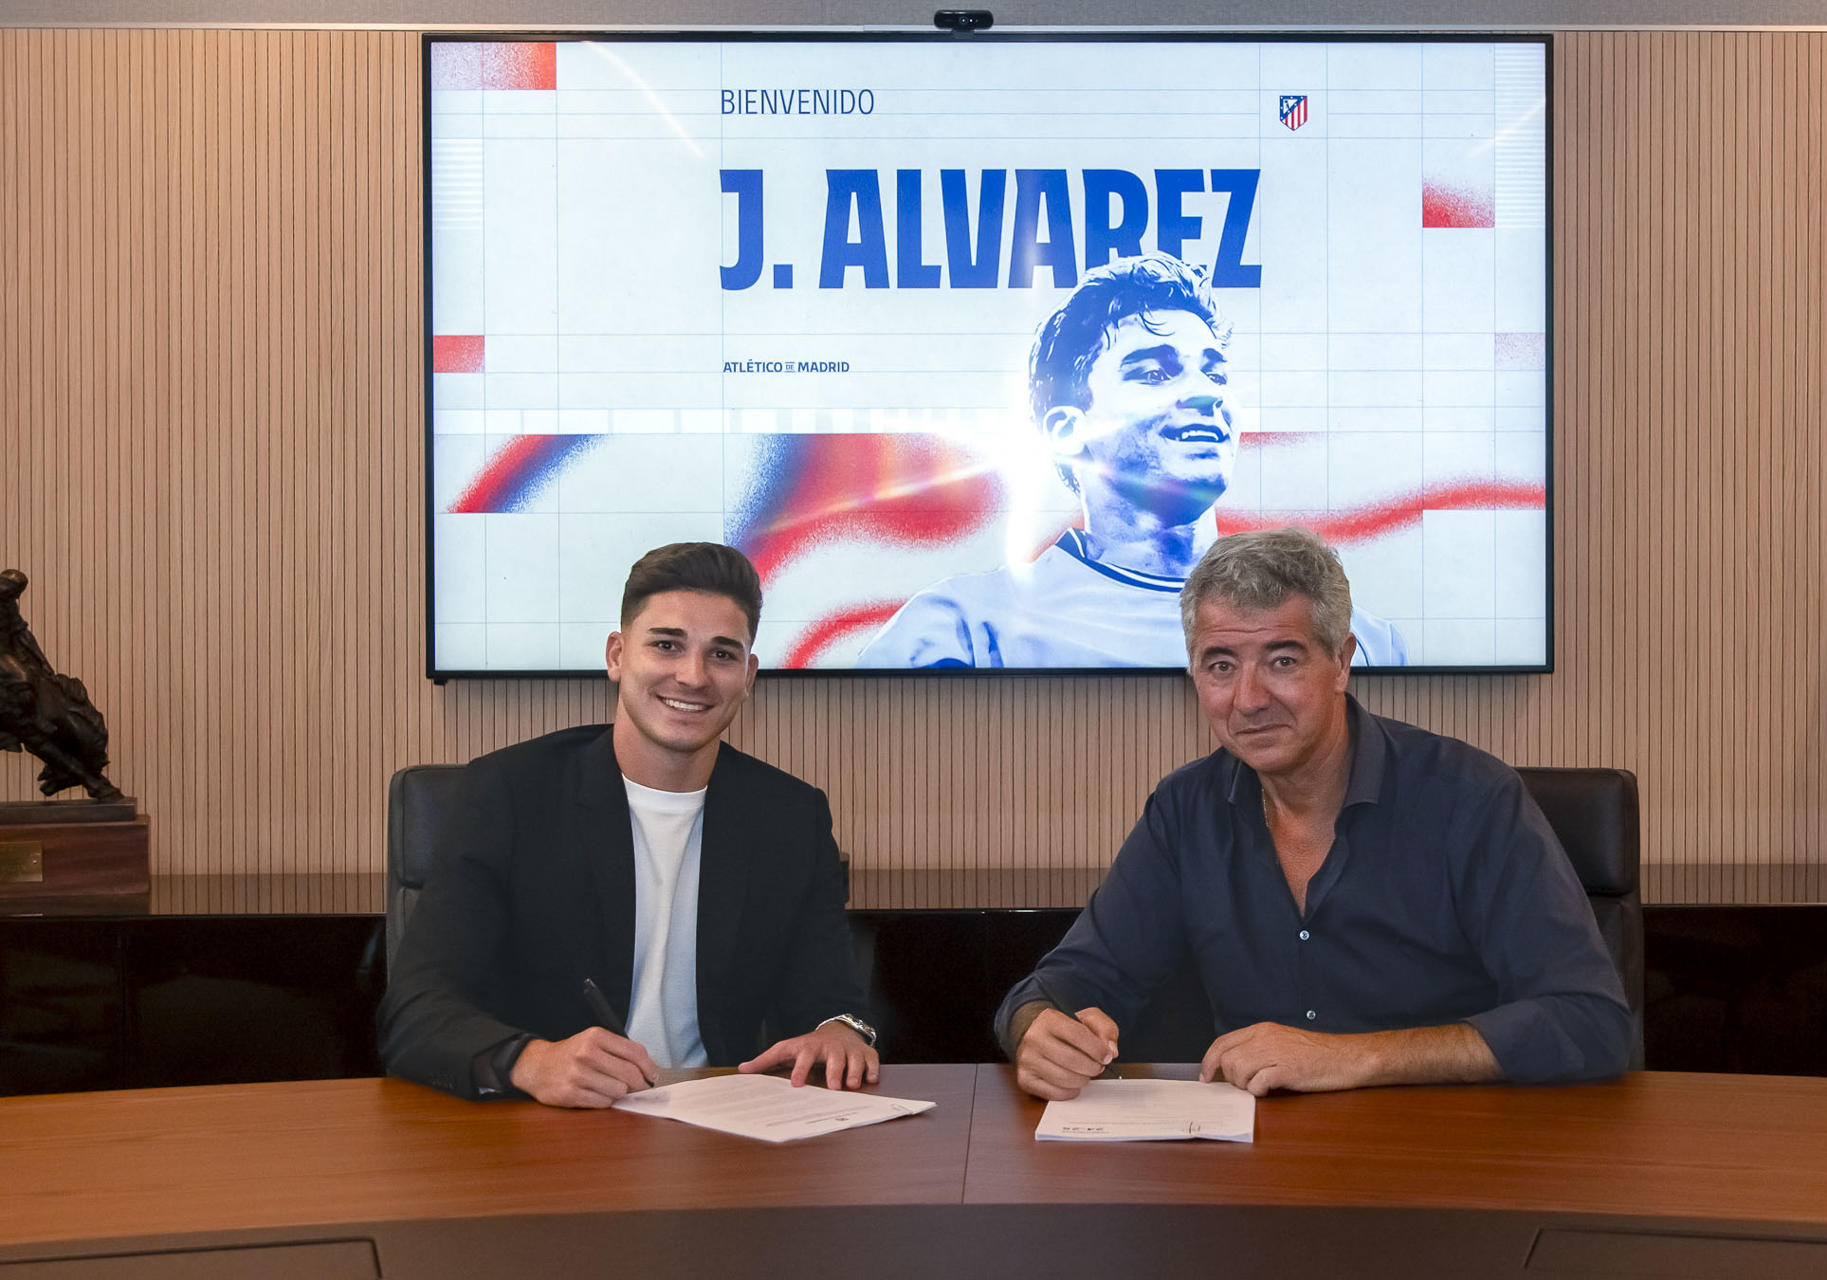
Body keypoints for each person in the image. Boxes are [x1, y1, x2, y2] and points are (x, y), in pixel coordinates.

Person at [994, 528, 1630, 1098]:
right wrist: (1038, 1032)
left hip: (1450, 1165)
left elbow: (1590, 1022)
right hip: (1254, 1174)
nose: (1248, 699)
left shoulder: (1471, 799)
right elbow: (1067, 983)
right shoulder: (1186, 811)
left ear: (1342, 661)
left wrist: (1353, 1058)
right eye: (1222, 666)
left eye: (1282, 660)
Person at [379, 542, 879, 1106]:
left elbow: (831, 999)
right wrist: (529, 1060)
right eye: (666, 645)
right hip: (547, 1132)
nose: (692, 676)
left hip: (724, 1133)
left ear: (748, 675)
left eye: (721, 654)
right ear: (618, 655)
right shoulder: (509, 794)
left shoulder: (790, 816)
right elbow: (416, 1009)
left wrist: (840, 1030)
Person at [858, 255, 1405, 669]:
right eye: (1153, 373)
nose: (1205, 394)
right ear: (1071, 431)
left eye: (1214, 373)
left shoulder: (1365, 643)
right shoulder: (961, 628)